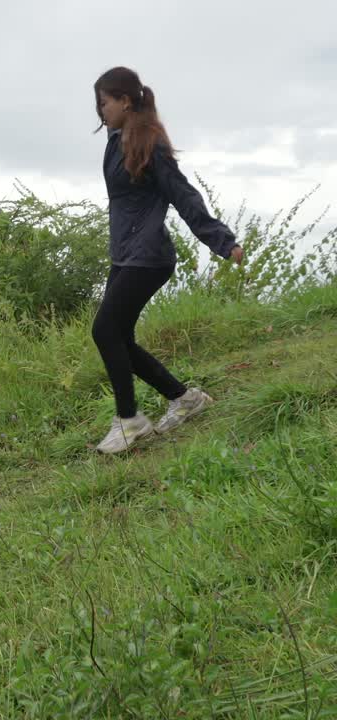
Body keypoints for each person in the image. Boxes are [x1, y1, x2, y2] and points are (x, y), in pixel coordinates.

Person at [91, 67, 244, 454]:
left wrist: (222, 241)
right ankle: (184, 398)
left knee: (105, 330)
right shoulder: (117, 140)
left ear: (125, 101)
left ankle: (129, 420)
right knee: (119, 337)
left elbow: (182, 194)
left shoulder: (150, 143)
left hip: (149, 256)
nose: (100, 110)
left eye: (104, 102)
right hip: (125, 254)